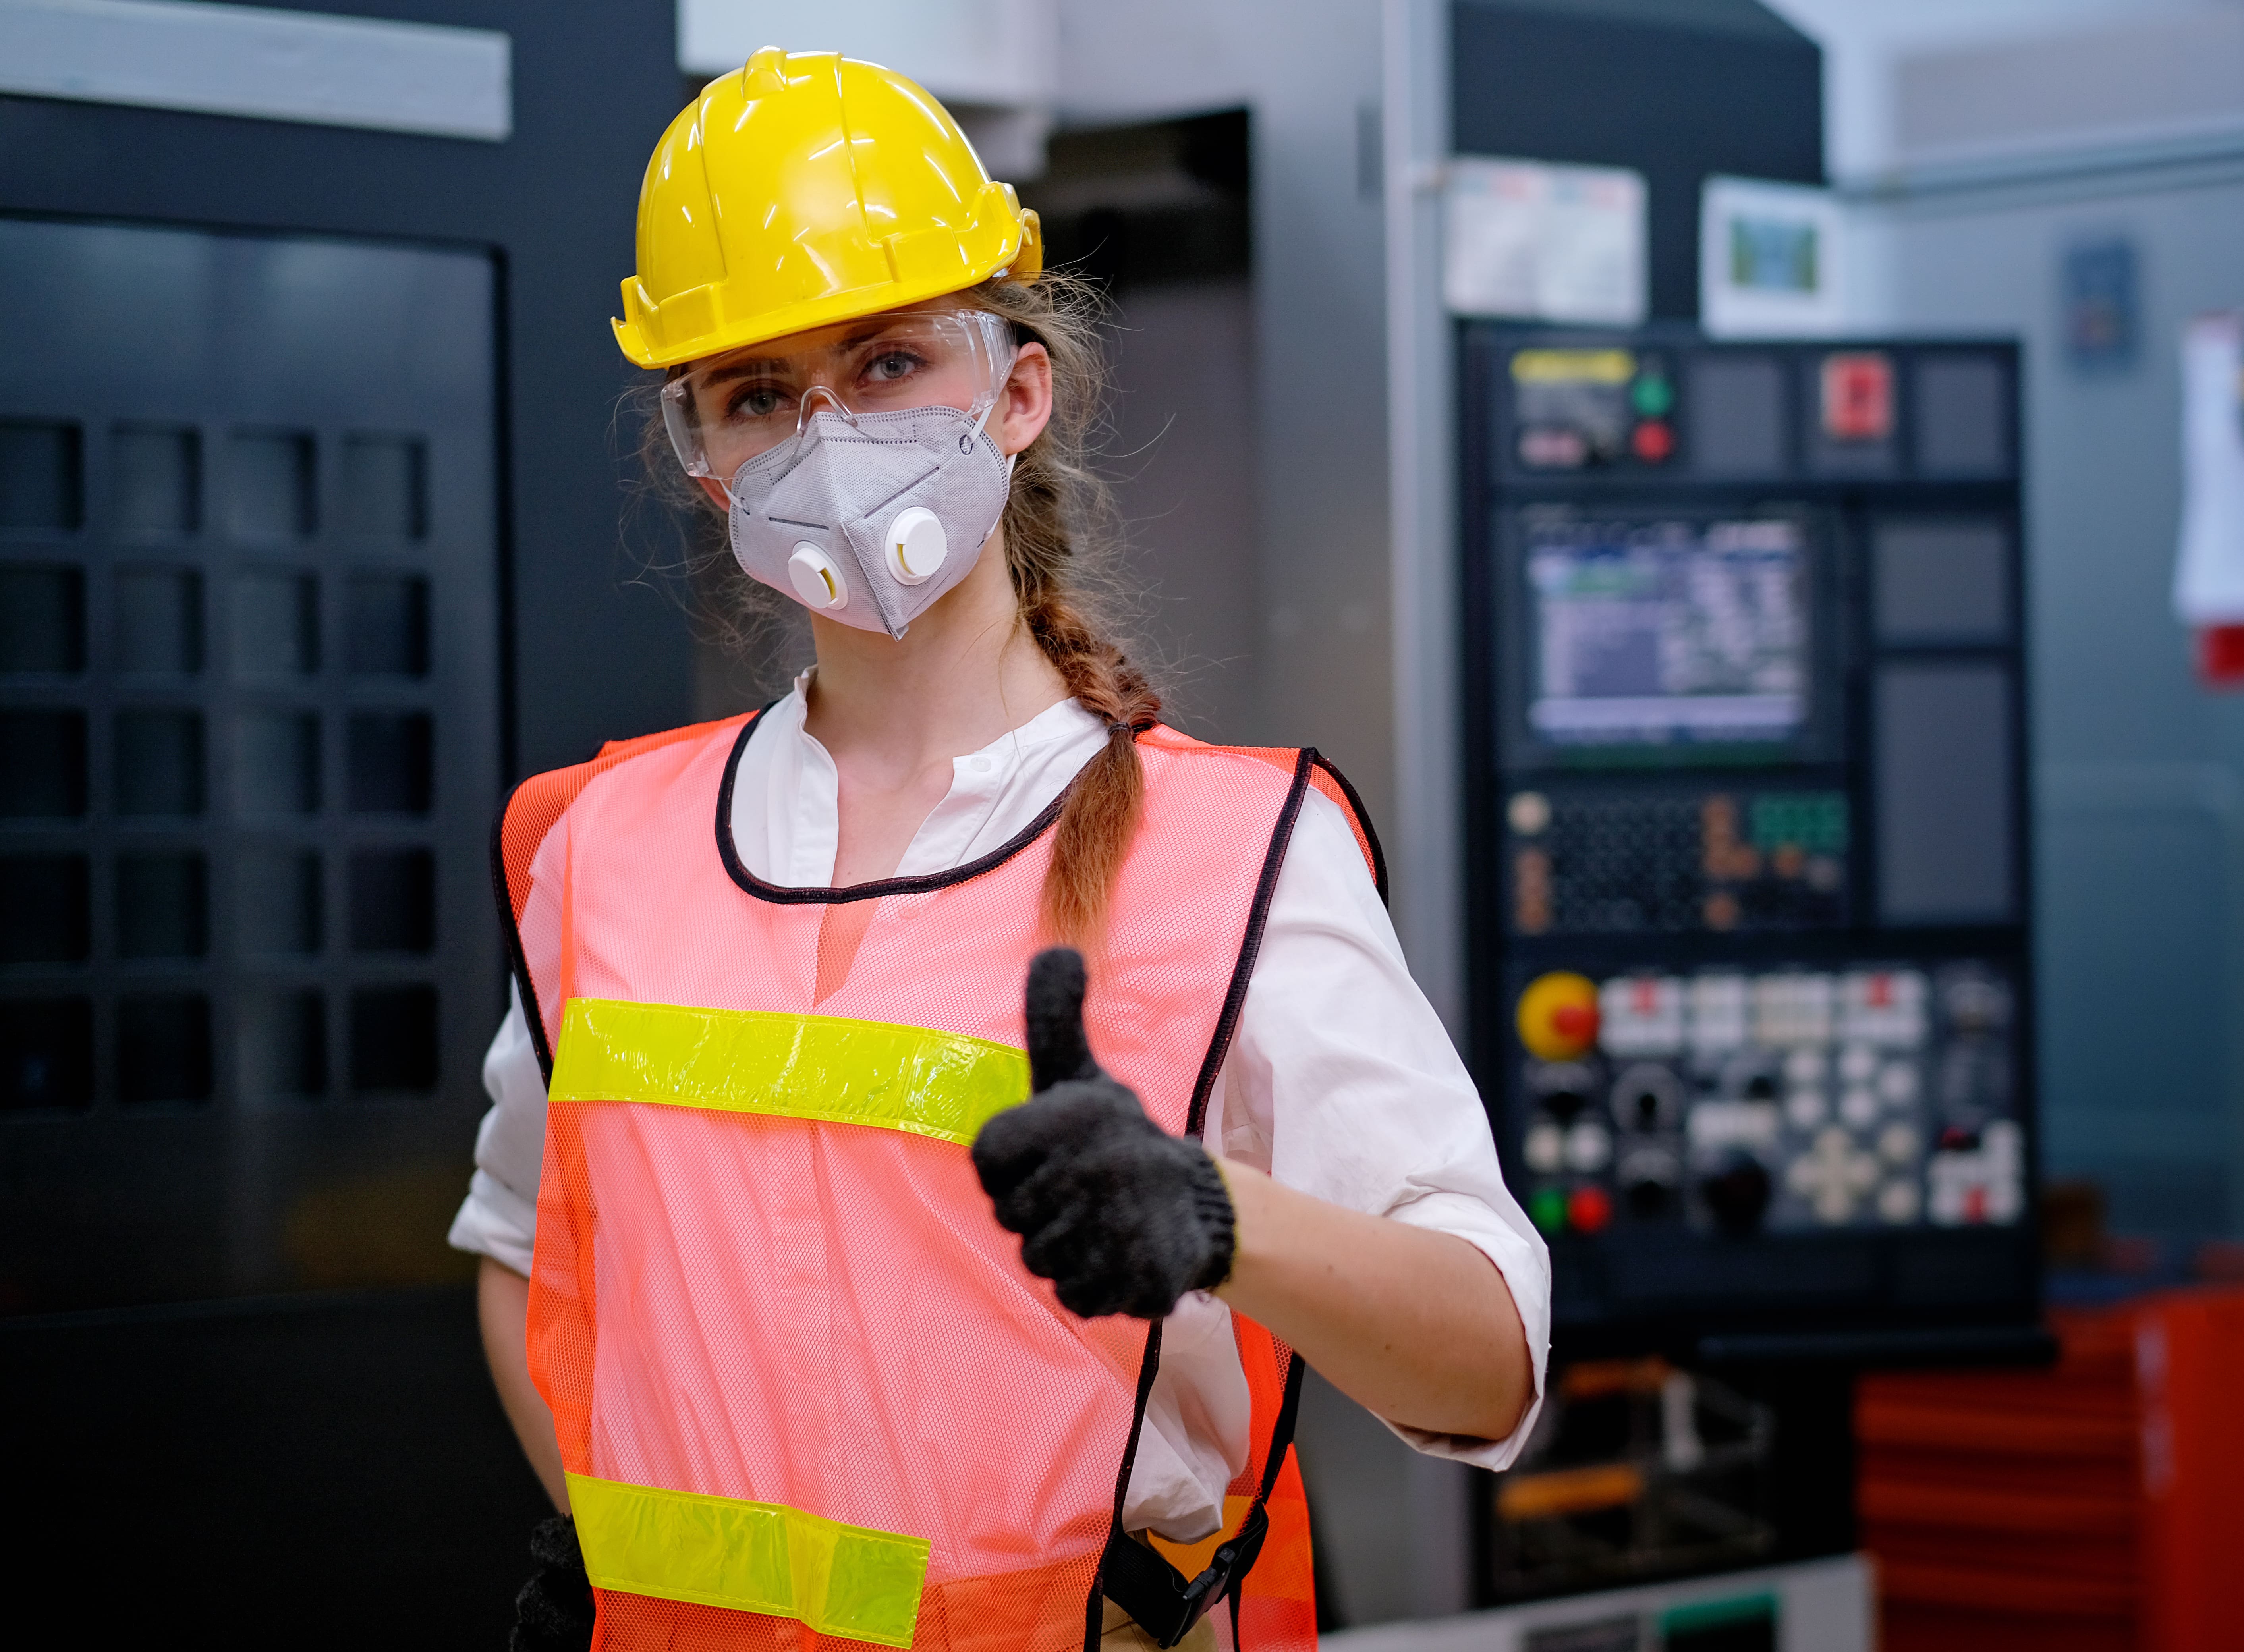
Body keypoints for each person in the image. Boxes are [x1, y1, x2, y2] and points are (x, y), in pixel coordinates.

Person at [447, 46, 1547, 1652]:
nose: (826, 434)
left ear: (1018, 387)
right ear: (701, 450)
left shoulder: (1232, 854)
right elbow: (514, 1249)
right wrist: (619, 1551)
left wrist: (1218, 1217)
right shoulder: (604, 850)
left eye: (888, 361)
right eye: (758, 392)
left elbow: (1494, 1356)